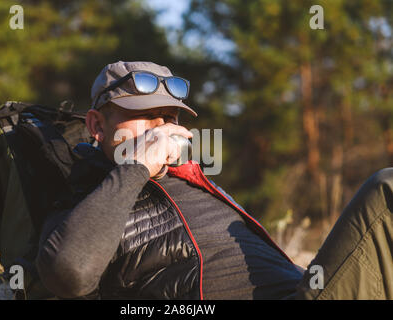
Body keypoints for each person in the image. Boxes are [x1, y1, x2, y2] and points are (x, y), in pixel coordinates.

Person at [35, 61, 392, 300]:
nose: (163, 129)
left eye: (169, 117)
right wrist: (135, 167)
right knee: (387, 189)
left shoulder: (191, 180)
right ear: (97, 126)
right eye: (145, 117)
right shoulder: (87, 197)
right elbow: (69, 273)